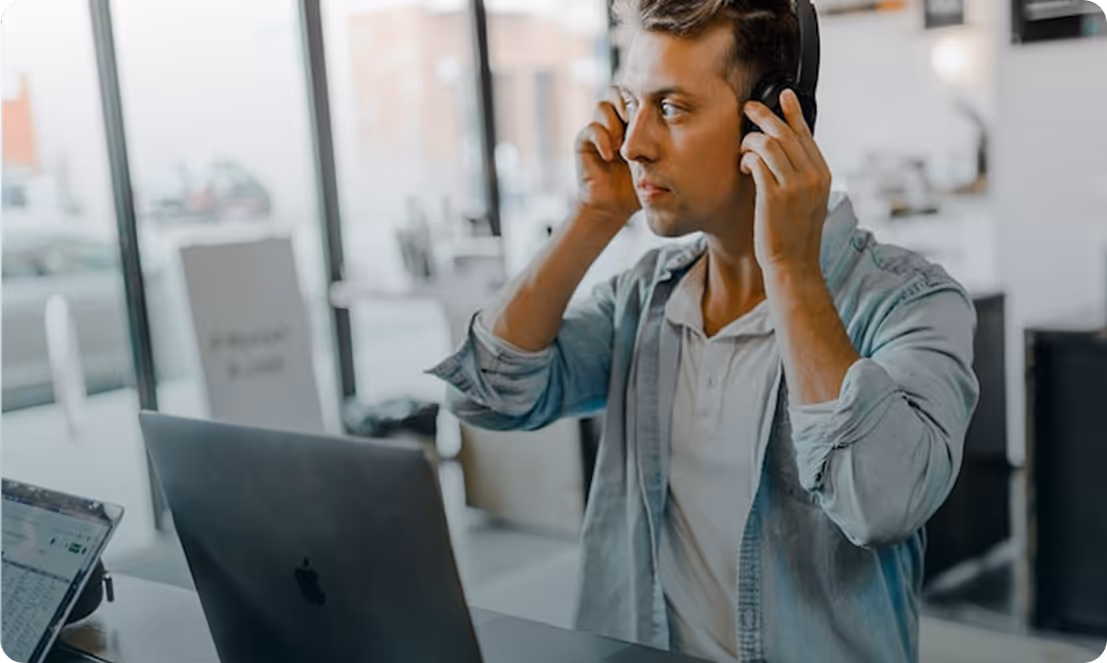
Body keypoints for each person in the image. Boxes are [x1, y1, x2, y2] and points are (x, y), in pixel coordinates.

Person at [428, 0, 979, 660]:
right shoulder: (645, 297)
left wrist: (790, 268)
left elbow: (881, 503)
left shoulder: (909, 303)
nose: (632, 142)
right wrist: (592, 216)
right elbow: (485, 394)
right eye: (632, 103)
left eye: (671, 108)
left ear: (771, 120)